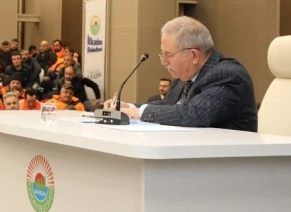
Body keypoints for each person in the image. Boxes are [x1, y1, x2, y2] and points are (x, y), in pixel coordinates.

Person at [105, 16, 257, 131]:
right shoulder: (185, 76)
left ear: (193, 55)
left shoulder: (228, 76)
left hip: (227, 166)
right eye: (162, 55)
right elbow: (168, 105)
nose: (163, 62)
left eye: (168, 55)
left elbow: (191, 114)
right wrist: (127, 106)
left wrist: (136, 112)